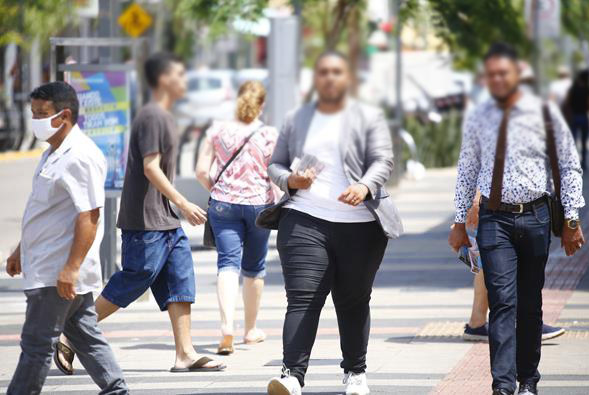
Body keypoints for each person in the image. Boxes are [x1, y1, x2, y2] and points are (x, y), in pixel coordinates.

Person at [54, 52, 225, 374]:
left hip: (164, 220)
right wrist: (184, 203)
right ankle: (71, 332)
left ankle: (185, 354)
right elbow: (150, 167)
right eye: (180, 74)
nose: (185, 80)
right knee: (136, 277)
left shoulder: (165, 116)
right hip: (145, 219)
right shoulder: (152, 116)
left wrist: (175, 209)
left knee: (180, 281)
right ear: (164, 79)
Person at [260, 50, 404, 395]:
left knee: (353, 299)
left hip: (361, 227)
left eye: (336, 72)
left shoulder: (368, 117)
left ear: (348, 78)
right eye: (323, 72)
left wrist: (364, 185)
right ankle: (291, 375)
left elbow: (384, 159)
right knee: (302, 298)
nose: (329, 78)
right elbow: (275, 165)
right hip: (305, 220)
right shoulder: (298, 118)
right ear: (315, 78)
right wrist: (290, 180)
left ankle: (355, 372)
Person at [448, 43, 585, 395]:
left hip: (537, 217)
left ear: (517, 73)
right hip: (495, 220)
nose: (496, 79)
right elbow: (467, 169)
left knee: (530, 304)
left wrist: (571, 219)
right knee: (503, 301)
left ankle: (528, 381)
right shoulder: (479, 117)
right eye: (490, 74)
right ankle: (503, 386)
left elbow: (569, 166)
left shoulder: (545, 113)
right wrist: (459, 221)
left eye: (502, 73)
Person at [5, 81, 128, 394]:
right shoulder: (54, 152)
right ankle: (117, 390)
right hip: (50, 264)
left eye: (42, 113)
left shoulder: (80, 156)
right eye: (33, 112)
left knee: (36, 345)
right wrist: (21, 249)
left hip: (57, 270)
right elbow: (46, 210)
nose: (35, 120)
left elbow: (89, 215)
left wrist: (71, 267)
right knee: (85, 334)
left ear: (65, 115)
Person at [195, 80, 279, 355]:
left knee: (227, 264)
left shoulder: (217, 130)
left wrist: (218, 191)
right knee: (254, 267)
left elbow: (200, 171)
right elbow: (277, 173)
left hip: (223, 205)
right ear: (262, 104)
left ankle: (226, 326)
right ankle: (250, 330)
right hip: (258, 205)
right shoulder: (269, 134)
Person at [462, 192, 565, 342]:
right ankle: (523, 323)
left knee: (488, 261)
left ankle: (477, 322)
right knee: (499, 261)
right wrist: (475, 200)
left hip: (492, 200)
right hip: (494, 203)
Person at [563, 69, 589, 170]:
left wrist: (567, 115)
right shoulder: (587, 89)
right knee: (584, 141)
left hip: (574, 117)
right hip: (583, 117)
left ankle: (574, 161)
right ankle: (584, 162)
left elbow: (567, 102)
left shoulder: (573, 88)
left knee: (573, 141)